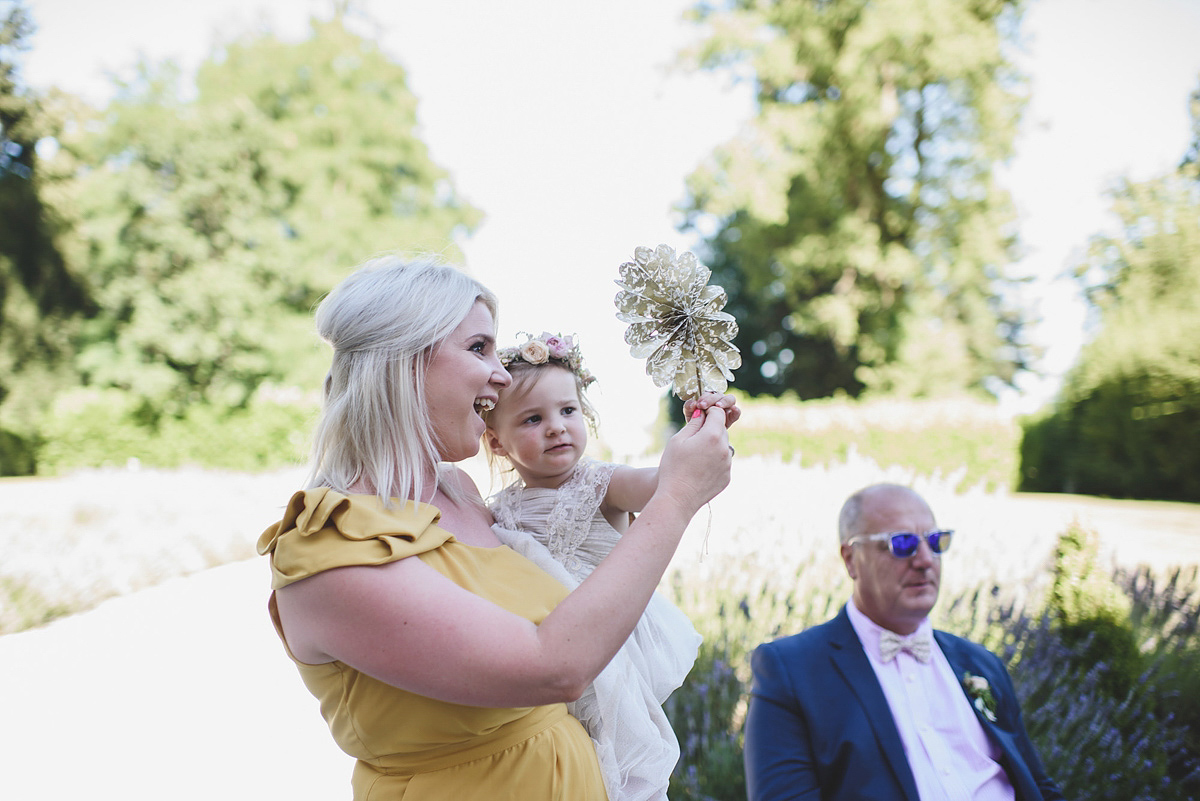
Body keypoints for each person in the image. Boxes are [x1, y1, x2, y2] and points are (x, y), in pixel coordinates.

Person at [256, 254, 735, 801]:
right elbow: (552, 666)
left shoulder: (460, 492)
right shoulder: (328, 547)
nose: (502, 375)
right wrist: (676, 498)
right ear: (405, 360)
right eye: (479, 348)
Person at [480, 331, 740, 801]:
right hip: (549, 643)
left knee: (618, 759)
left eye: (568, 411)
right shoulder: (499, 510)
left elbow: (666, 485)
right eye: (533, 419)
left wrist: (701, 433)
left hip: (608, 646)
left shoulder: (601, 482)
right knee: (562, 752)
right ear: (497, 442)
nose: (556, 427)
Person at [742, 483, 1064, 801]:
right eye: (903, 544)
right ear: (851, 558)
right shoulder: (793, 670)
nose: (925, 559)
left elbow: (1037, 785)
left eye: (936, 541)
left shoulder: (980, 664)